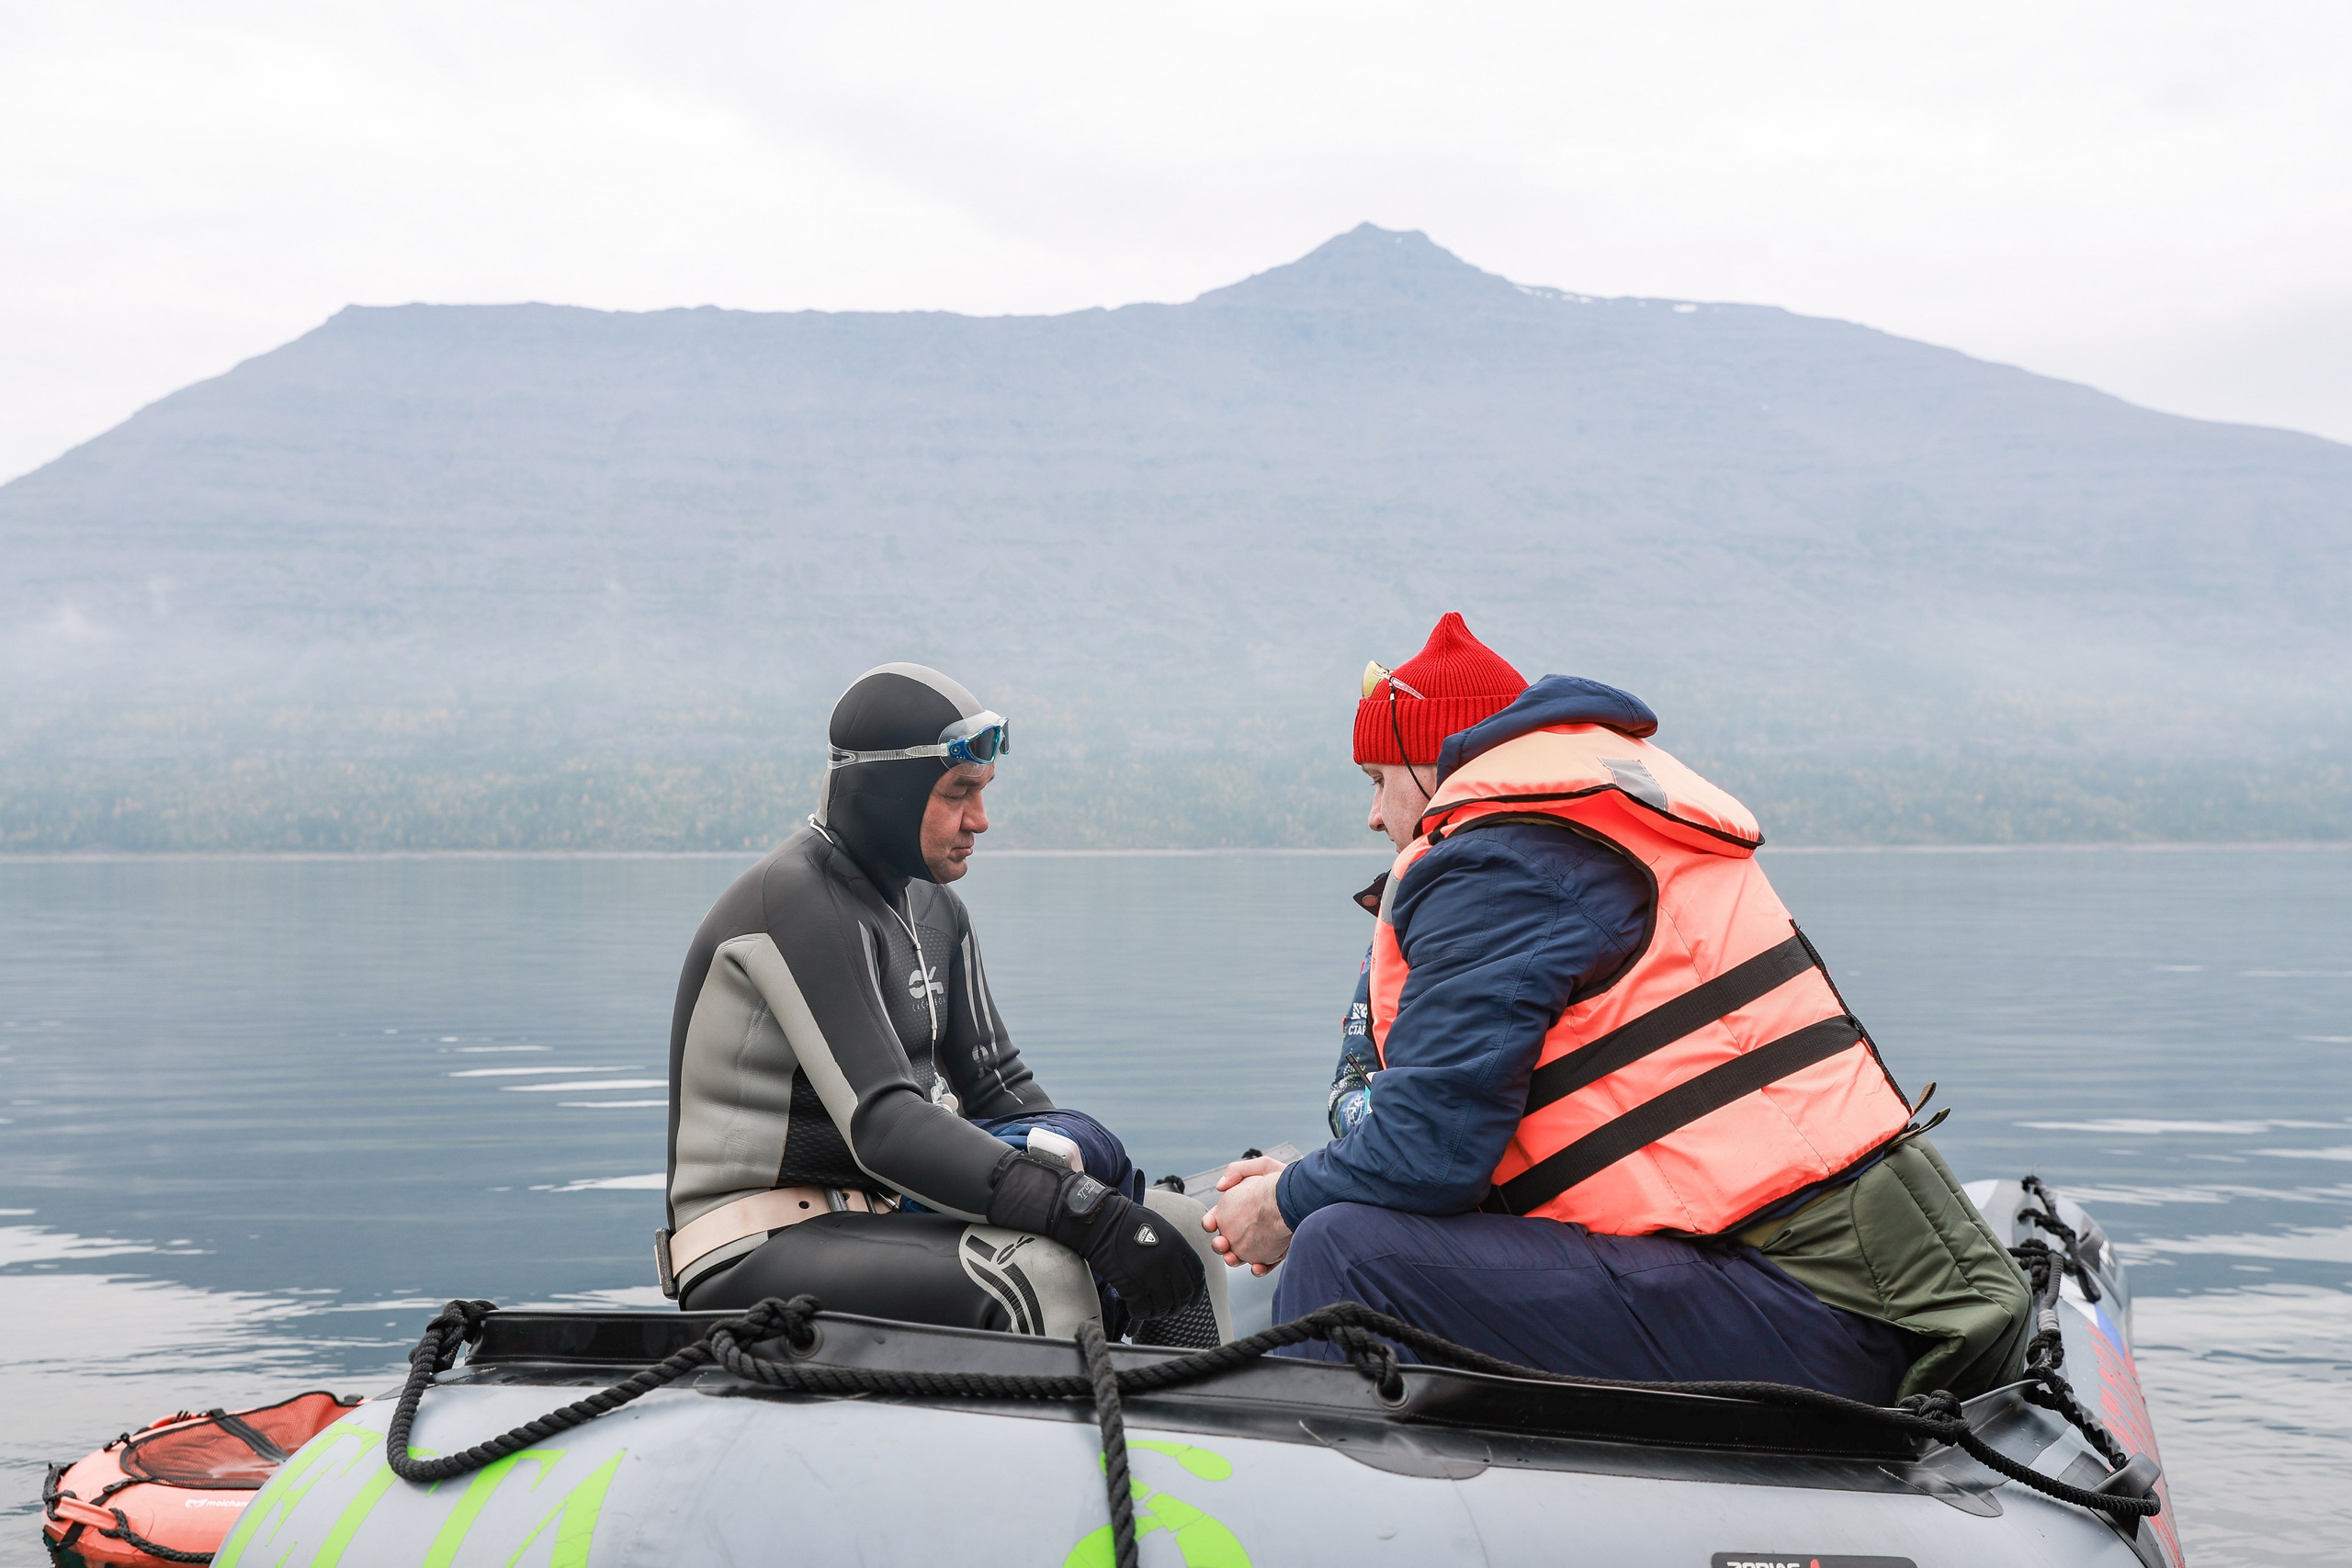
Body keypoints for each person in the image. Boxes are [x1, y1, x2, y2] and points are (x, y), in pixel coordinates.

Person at [1204, 615, 2030, 1404]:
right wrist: (1307, 1177)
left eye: (1380, 781)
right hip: (1843, 1284)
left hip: (1820, 1303)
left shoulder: (1499, 862)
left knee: (1341, 1253)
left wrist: (1283, 1205)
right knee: (1345, 1220)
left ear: (1431, 767)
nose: (1376, 814)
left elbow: (1428, 1155)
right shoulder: (1579, 827)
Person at [662, 662, 1217, 1345]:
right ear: (889, 794)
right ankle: (1070, 1445)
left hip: (884, 1220)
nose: (979, 820)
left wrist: (1104, 1197)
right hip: (752, 1248)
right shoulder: (796, 902)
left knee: (1186, 1227)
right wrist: (1078, 1214)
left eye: (982, 793)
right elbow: (886, 1124)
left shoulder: (935, 910)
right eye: (959, 793)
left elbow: (1003, 1091)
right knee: (1035, 1272)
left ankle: (1183, 1433)